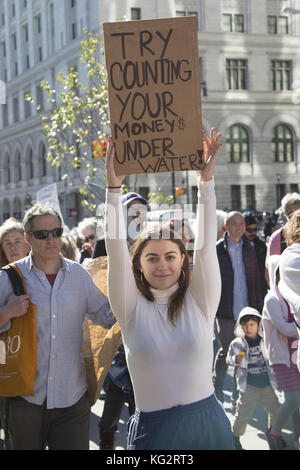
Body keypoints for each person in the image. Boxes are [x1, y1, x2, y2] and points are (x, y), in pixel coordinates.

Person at [104, 129, 235, 450]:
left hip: (209, 429)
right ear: (139, 265)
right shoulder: (130, 309)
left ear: (181, 261)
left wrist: (206, 182)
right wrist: (113, 188)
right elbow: (116, 253)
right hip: (155, 435)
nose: (162, 265)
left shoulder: (200, 302)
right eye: (152, 258)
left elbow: (205, 249)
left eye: (170, 256)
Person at [0, 203, 115, 450]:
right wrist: (8, 312)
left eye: (56, 232)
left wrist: (125, 305)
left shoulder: (78, 274)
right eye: (42, 234)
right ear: (28, 238)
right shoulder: (9, 277)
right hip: (24, 398)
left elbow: (106, 316)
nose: (51, 239)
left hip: (71, 399)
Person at [214, 211, 264, 404]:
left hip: (246, 309)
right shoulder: (218, 249)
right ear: (226, 227)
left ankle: (237, 390)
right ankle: (217, 383)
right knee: (226, 349)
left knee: (242, 352)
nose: (239, 227)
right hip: (226, 310)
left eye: (242, 223)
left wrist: (258, 308)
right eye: (235, 224)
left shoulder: (250, 249)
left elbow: (257, 279)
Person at [226, 307, 279, 450]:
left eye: (252, 324)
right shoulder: (238, 343)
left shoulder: (264, 340)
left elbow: (272, 355)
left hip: (267, 384)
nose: (248, 328)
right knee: (242, 414)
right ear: (240, 326)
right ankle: (235, 437)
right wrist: (234, 359)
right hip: (249, 386)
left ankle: (273, 433)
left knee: (275, 408)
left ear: (258, 325)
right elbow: (228, 359)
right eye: (245, 325)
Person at [262, 254, 300, 450]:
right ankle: (274, 432)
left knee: (297, 403)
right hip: (282, 358)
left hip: (296, 355)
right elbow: (285, 328)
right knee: (294, 399)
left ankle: (296, 442)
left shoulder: (292, 294)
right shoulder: (271, 299)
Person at [0, 220, 31, 450]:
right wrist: (8, 312)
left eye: (17, 242)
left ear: (28, 243)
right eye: (7, 243)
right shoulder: (2, 277)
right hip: (7, 363)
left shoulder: (43, 273)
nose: (12, 248)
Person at [265, 193, 300, 285]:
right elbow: (271, 270)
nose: (294, 218)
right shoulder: (277, 237)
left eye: (298, 213)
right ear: (284, 214)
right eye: (290, 214)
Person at [243, 214, 268, 299]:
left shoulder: (261, 245)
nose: (253, 233)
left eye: (255, 230)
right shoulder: (239, 245)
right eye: (249, 230)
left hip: (260, 287)